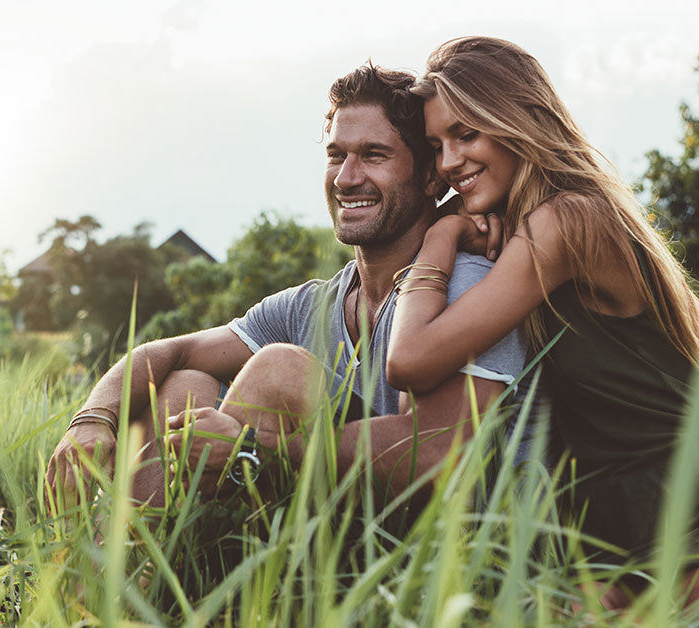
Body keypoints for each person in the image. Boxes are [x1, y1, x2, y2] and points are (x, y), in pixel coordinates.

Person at [385, 37, 699, 622]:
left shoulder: (571, 219)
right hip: (596, 537)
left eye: (466, 134)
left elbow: (412, 357)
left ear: (518, 121)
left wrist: (440, 237)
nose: (448, 162)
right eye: (435, 145)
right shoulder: (519, 230)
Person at [43, 63, 532, 517]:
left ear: (430, 176)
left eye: (374, 155)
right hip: (326, 522)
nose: (347, 178)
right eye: (337, 155)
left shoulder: (462, 280)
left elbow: (439, 460)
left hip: (433, 545)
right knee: (182, 384)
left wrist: (249, 446)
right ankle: (133, 583)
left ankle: (157, 579)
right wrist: (91, 419)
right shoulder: (309, 304)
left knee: (282, 369)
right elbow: (173, 349)